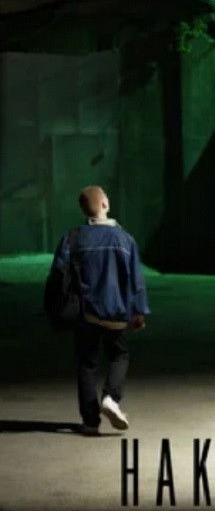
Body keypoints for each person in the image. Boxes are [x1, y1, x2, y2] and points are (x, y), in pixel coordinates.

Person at [48, 185, 150, 436]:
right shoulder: (125, 239)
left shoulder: (73, 238)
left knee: (87, 364)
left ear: (84, 209)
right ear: (105, 204)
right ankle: (111, 398)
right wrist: (138, 311)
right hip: (117, 313)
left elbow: (57, 275)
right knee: (119, 356)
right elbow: (135, 280)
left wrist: (55, 310)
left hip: (85, 313)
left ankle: (91, 422)